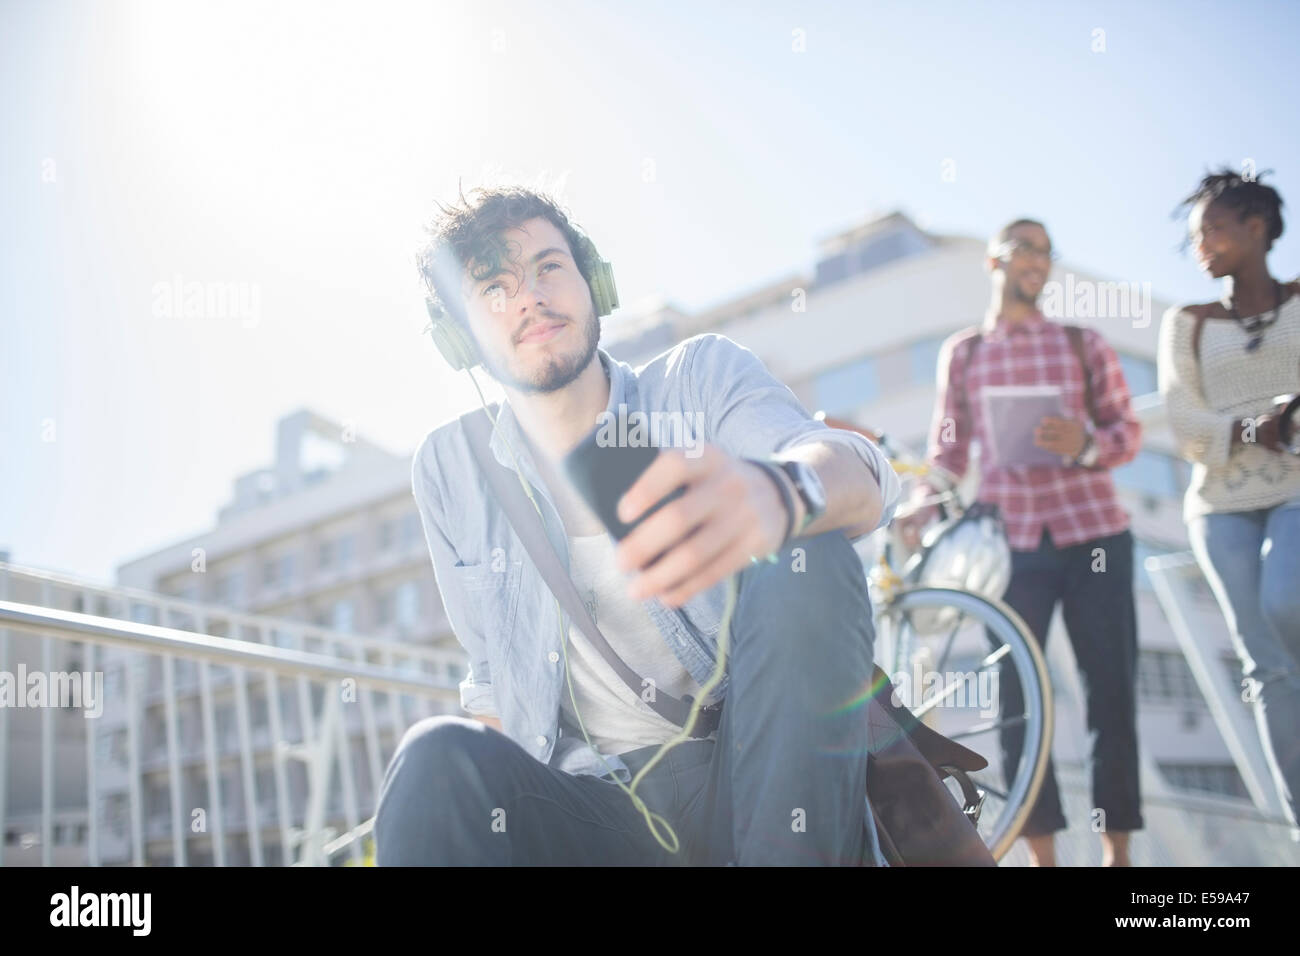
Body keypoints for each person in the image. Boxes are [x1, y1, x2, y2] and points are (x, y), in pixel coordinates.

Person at [374, 185, 901, 865]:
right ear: (460, 337)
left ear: (595, 282)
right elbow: (489, 684)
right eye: (494, 289)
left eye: (547, 268)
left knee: (805, 553)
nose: (528, 297)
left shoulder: (697, 380)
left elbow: (858, 476)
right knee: (435, 761)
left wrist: (777, 490)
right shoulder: (451, 469)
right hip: (598, 810)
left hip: (757, 777)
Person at [897, 218, 1145, 866]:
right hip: (1012, 543)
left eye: (1046, 252)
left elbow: (1127, 431)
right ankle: (1045, 860)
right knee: (1015, 701)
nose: (1037, 260)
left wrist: (1085, 444)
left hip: (1094, 532)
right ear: (994, 261)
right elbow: (948, 452)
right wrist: (922, 505)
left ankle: (1116, 853)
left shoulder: (1081, 341)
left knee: (1109, 691)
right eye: (1024, 248)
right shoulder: (966, 352)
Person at [1158, 168, 1300, 836]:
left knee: (1287, 602)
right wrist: (1252, 427)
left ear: (1258, 227)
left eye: (1215, 227)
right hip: (1218, 509)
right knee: (1265, 665)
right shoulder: (1186, 325)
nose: (1203, 244)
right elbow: (1185, 425)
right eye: (1195, 236)